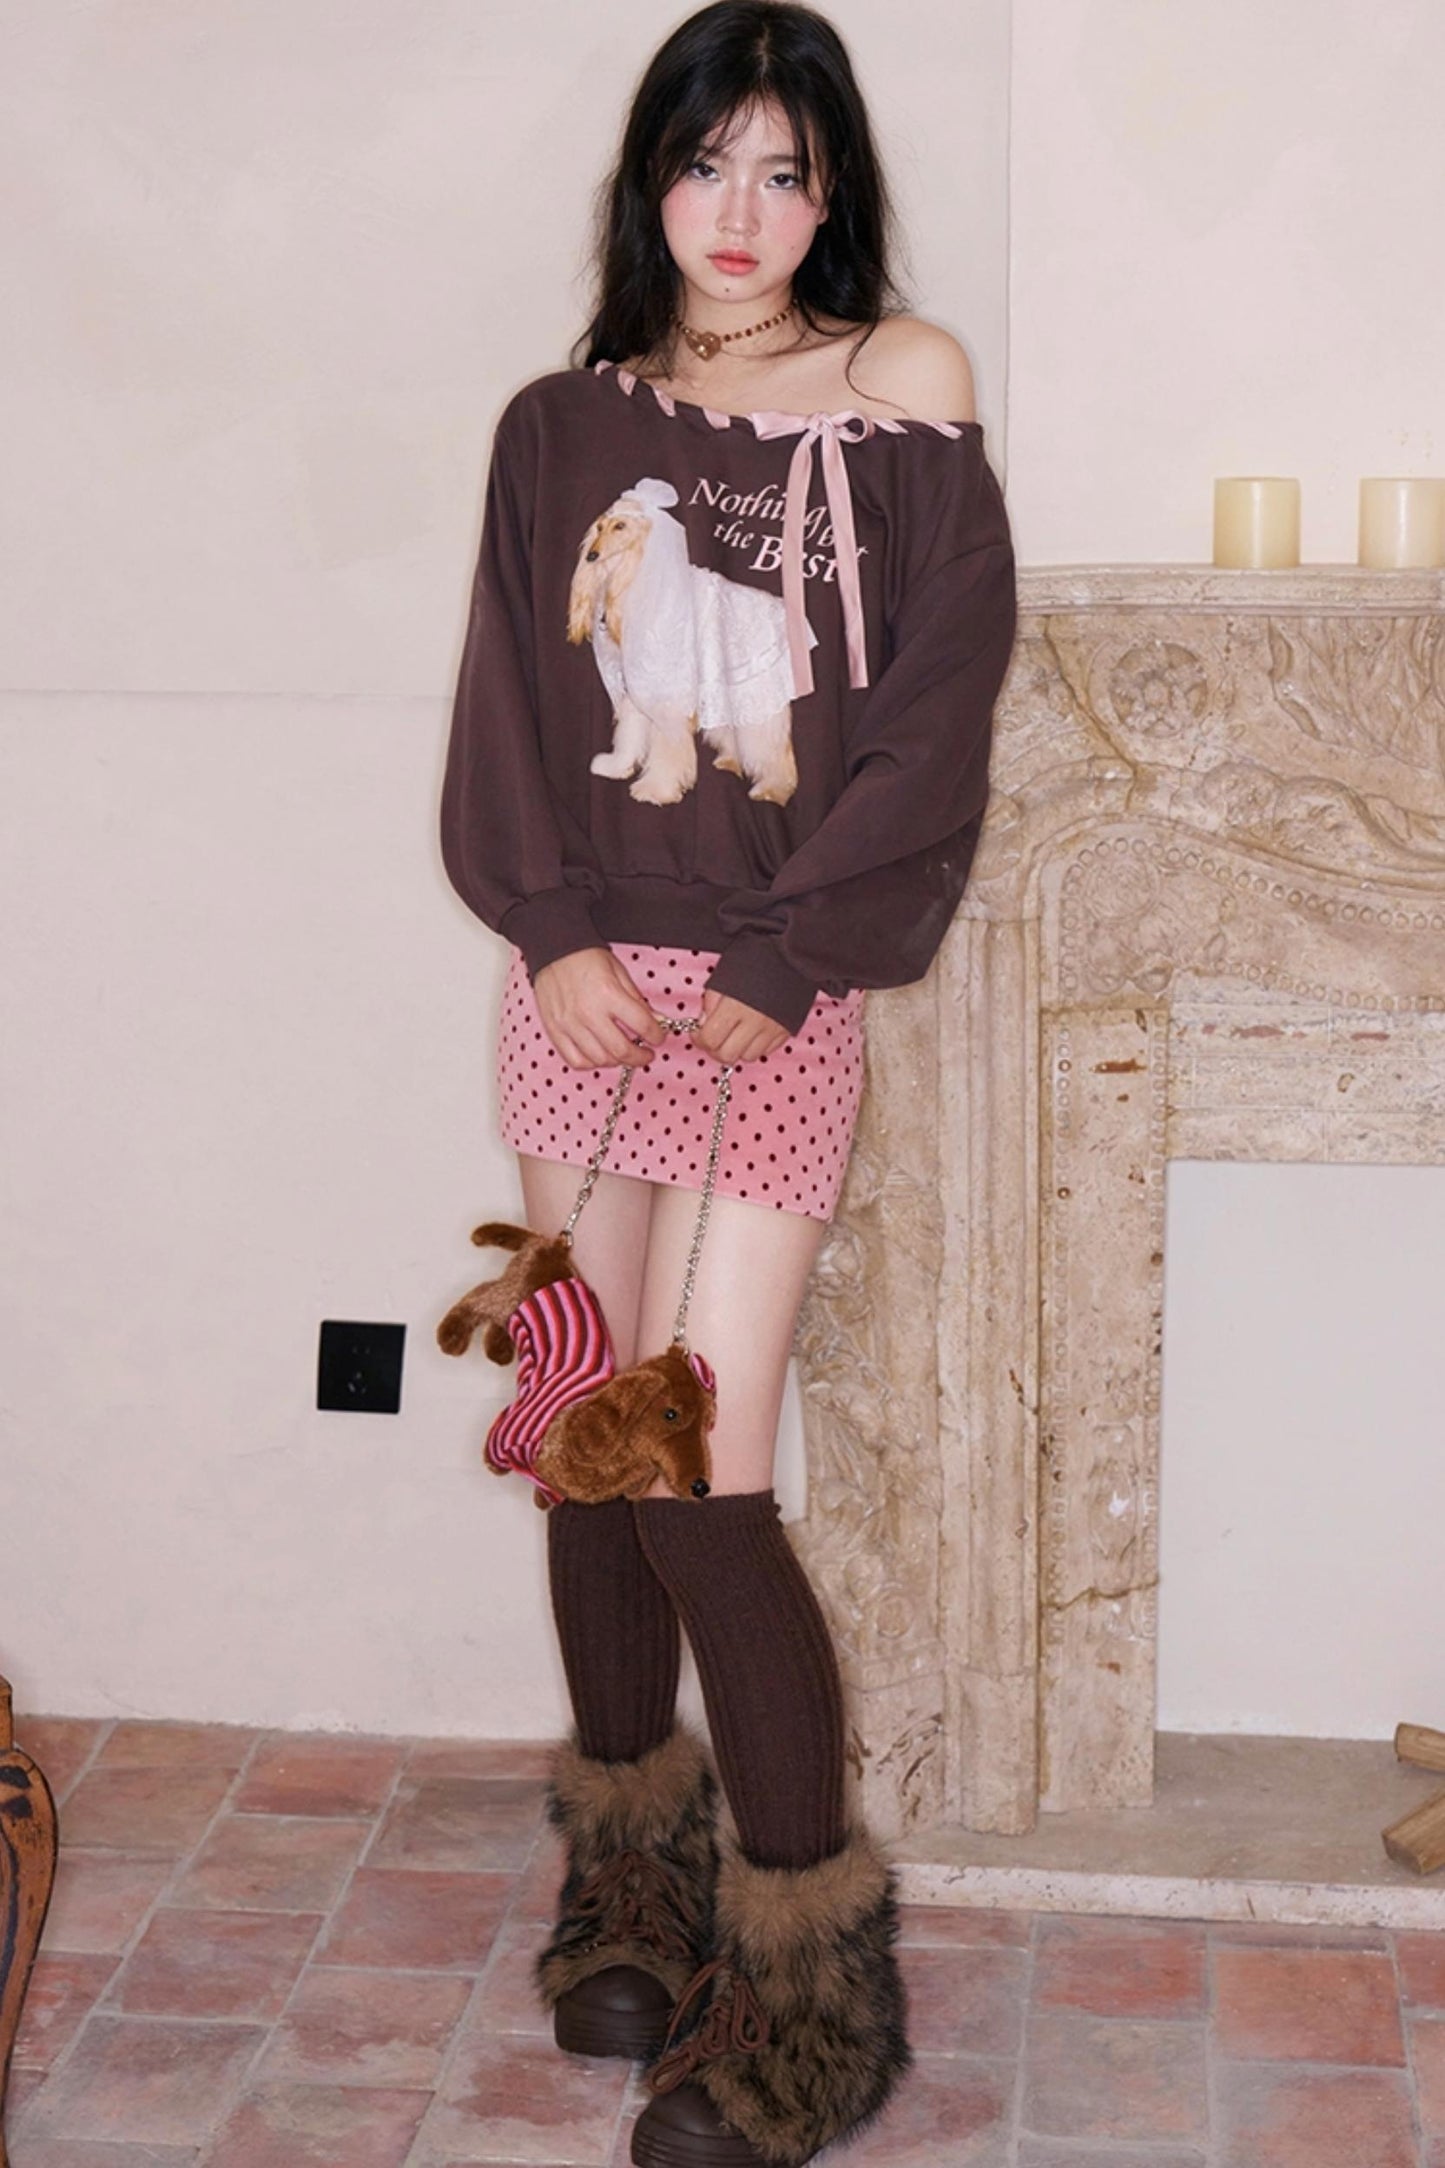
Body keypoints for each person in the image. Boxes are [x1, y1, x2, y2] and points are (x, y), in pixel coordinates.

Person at [440, 6, 1016, 2163]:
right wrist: (553, 933)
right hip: (585, 984)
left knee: (697, 1463)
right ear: (651, 184)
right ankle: (629, 1889)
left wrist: (788, 954)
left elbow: (934, 706)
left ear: (832, 188)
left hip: (776, 986)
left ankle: (802, 1999)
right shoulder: (558, 425)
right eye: (706, 166)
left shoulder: (902, 384)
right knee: (591, 1446)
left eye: (784, 169)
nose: (742, 212)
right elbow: (509, 702)